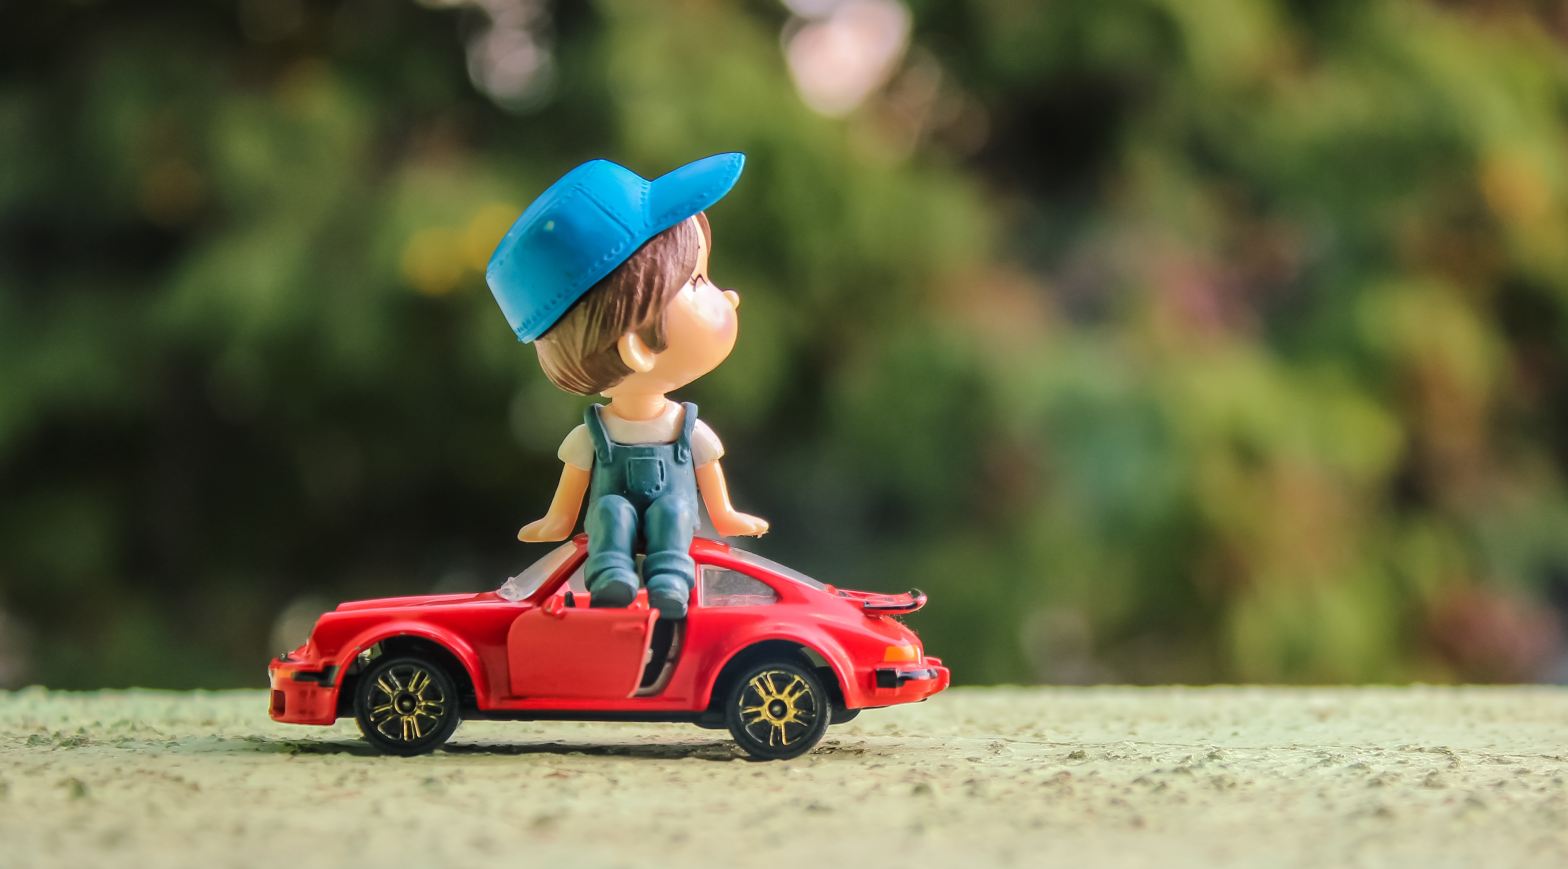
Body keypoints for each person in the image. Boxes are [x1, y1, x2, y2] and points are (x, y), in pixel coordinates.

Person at [484, 154, 768, 619]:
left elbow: (709, 476)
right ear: (637, 346)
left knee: (675, 514)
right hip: (612, 511)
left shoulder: (684, 425)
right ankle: (611, 575)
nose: (730, 296)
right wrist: (556, 521)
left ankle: (670, 582)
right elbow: (574, 488)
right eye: (698, 281)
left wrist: (726, 516)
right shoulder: (594, 433)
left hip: (672, 509)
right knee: (609, 513)